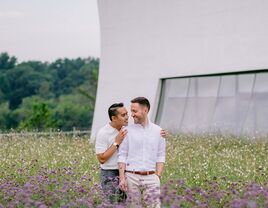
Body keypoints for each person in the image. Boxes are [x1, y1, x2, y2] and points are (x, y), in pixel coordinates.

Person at [118, 97, 166, 208]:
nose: (132, 114)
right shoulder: (127, 131)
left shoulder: (159, 131)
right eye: (131, 111)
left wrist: (158, 175)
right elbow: (122, 155)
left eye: (135, 111)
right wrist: (122, 178)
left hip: (152, 177)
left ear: (145, 110)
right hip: (131, 177)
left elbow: (161, 155)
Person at [95, 102, 128, 203]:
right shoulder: (103, 133)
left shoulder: (128, 130)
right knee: (112, 203)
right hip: (110, 173)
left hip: (127, 172)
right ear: (114, 118)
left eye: (127, 114)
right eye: (123, 115)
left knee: (125, 204)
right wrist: (116, 142)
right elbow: (102, 159)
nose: (127, 117)